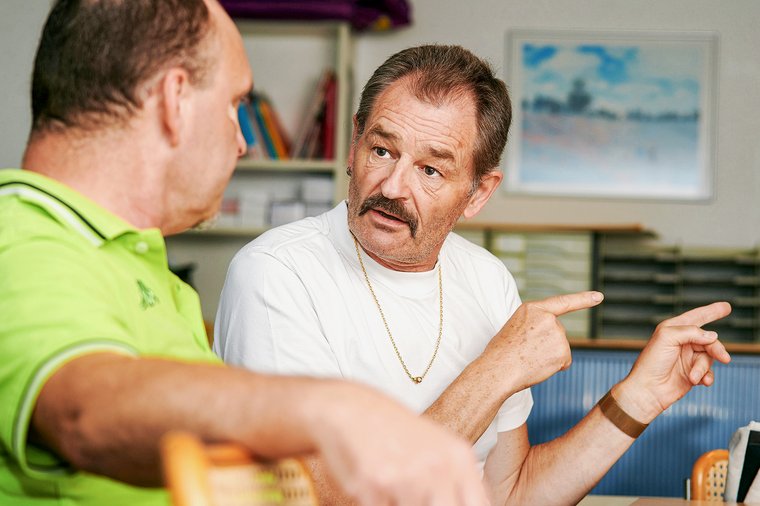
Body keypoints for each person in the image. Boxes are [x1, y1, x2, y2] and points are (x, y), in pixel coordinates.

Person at [0, 3, 491, 505]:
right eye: (235, 105)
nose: (240, 142)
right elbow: (85, 410)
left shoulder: (130, 257)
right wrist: (330, 411)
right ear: (175, 102)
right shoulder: (22, 237)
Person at [214, 44, 733, 505]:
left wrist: (638, 396)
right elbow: (328, 499)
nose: (393, 186)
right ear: (354, 144)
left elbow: (510, 492)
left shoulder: (486, 279)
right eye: (382, 149)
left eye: (430, 169)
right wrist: (496, 369)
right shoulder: (276, 274)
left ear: (479, 192)